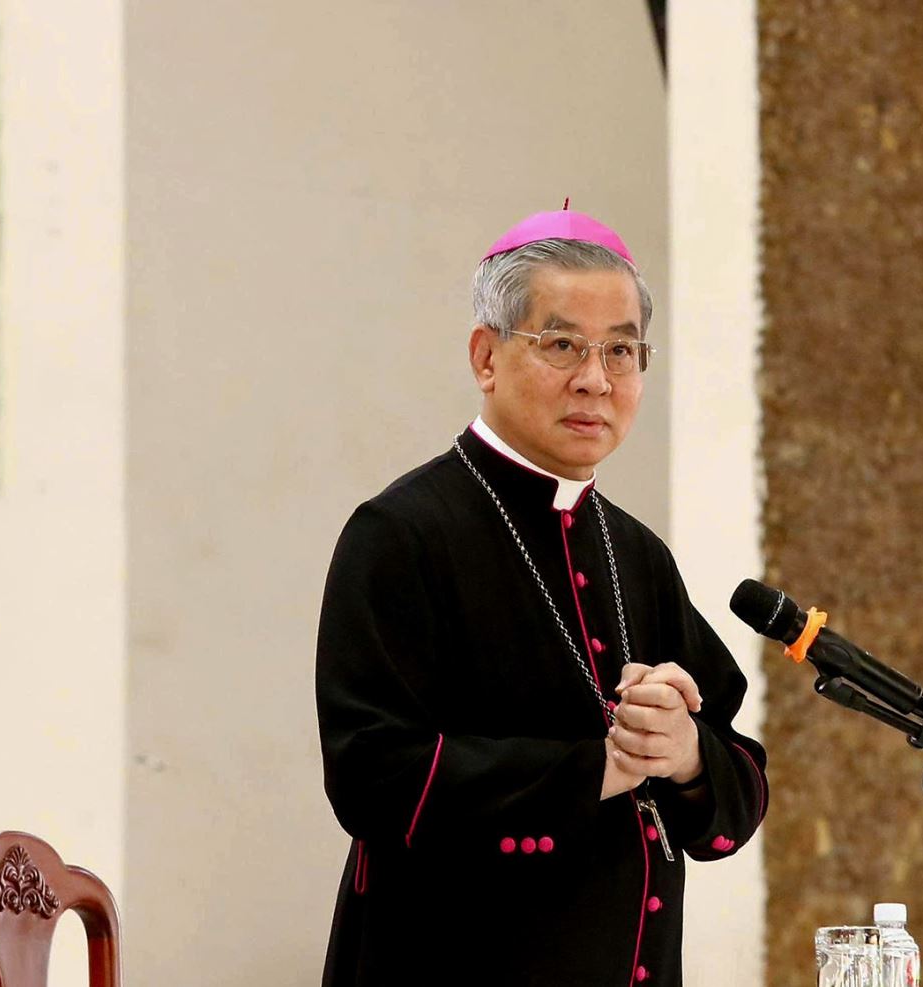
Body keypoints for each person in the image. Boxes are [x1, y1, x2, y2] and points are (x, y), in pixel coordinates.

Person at [315, 208, 768, 986]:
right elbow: (373, 776)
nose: (596, 378)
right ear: (486, 357)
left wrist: (686, 754)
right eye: (561, 345)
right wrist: (597, 769)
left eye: (621, 350)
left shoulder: (637, 553)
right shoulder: (401, 534)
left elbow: (733, 785)